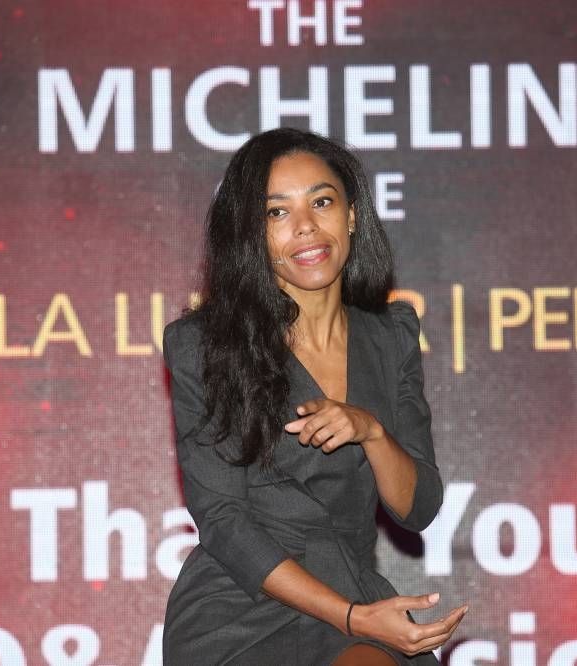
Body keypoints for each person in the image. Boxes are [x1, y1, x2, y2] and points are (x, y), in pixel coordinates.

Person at [162, 127, 467, 665]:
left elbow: (417, 508)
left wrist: (371, 431)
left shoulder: (391, 335)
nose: (305, 226)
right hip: (242, 604)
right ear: (252, 235)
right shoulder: (205, 345)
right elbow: (225, 522)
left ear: (351, 216)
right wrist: (349, 616)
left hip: (351, 587)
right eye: (277, 212)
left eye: (322, 202)